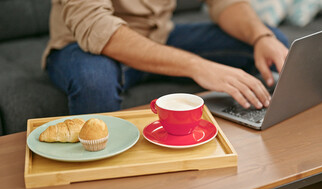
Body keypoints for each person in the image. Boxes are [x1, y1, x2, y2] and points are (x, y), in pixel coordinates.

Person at [43, 0, 289, 115]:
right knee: (95, 83)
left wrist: (260, 36)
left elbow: (224, 3)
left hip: (159, 37)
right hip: (84, 47)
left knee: (272, 42)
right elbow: (97, 27)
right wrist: (196, 66)